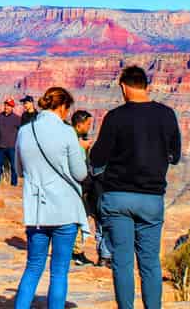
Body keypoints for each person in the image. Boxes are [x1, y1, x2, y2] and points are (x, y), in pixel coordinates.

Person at [90, 66, 182, 309]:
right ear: (146, 85)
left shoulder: (115, 117)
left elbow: (98, 157)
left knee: (122, 262)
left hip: (118, 197)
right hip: (151, 198)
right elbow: (176, 155)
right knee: (150, 262)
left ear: (123, 86)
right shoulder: (167, 115)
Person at [14, 86, 89, 309]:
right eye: (67, 109)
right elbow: (80, 173)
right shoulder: (67, 133)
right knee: (59, 271)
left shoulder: (25, 131)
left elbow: (18, 170)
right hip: (64, 211)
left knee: (33, 267)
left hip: (36, 211)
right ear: (63, 106)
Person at [70, 110, 110, 267]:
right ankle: (77, 253)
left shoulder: (76, 138)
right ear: (79, 124)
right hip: (79, 187)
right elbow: (78, 166)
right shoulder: (74, 140)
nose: (89, 127)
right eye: (87, 124)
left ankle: (81, 253)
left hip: (83, 187)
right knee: (81, 220)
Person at [0, 98, 21, 186]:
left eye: (8, 105)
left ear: (12, 107)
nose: (6, 107)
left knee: (13, 167)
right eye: (5, 105)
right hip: (0, 147)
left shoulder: (17, 118)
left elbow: (21, 132)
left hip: (12, 147)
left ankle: (14, 184)